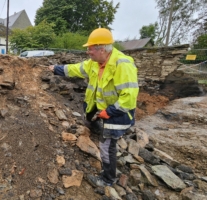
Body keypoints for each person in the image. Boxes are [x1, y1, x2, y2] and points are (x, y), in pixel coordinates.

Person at [48, 28, 139, 187]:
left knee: (106, 147)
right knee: (88, 119)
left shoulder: (122, 64)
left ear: (101, 49)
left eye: (90, 49)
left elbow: (129, 98)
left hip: (118, 114)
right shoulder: (94, 63)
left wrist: (109, 112)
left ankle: (108, 179)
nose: (87, 52)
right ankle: (97, 128)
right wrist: (56, 68)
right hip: (99, 108)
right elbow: (76, 68)